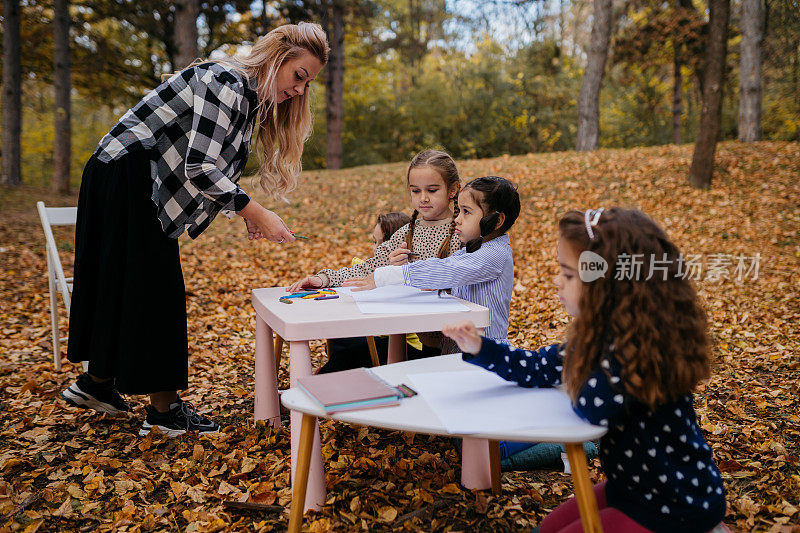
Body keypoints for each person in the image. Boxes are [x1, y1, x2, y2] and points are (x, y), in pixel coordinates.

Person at [60, 23, 330, 437]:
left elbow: (205, 170)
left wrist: (244, 213)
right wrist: (254, 212)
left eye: (306, 84)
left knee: (124, 282)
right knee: (156, 289)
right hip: (126, 173)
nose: (299, 90)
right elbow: (199, 167)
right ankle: (164, 412)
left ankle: (95, 383)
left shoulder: (243, 100)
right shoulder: (227, 81)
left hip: (121, 175)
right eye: (298, 76)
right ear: (278, 56)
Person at [443, 207, 728, 533]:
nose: (557, 282)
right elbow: (536, 367)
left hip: (675, 505)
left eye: (568, 274)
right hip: (631, 486)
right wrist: (480, 348)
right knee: (548, 528)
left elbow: (593, 408)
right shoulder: (597, 336)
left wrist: (580, 357)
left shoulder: (636, 349)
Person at [287, 149, 463, 359]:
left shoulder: (464, 231)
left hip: (465, 338)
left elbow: (466, 278)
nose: (423, 198)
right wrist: (323, 279)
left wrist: (404, 274)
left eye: (432, 190)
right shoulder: (407, 232)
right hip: (426, 341)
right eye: (415, 191)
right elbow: (369, 267)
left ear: (452, 189)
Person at [344, 176, 520, 350]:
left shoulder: (494, 255)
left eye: (466, 212)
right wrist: (410, 272)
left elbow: (445, 270)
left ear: (497, 221)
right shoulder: (474, 250)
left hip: (486, 354)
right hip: (460, 348)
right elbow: (444, 268)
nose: (457, 219)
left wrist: (385, 275)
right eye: (458, 211)